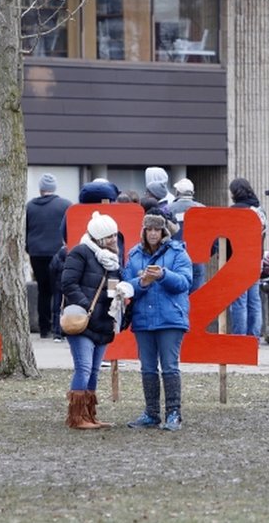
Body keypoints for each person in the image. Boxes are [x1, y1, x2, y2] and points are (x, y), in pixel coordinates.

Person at [123, 212, 193, 431]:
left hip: (170, 318)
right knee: (148, 369)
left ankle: (174, 414)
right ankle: (151, 413)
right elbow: (126, 285)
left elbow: (184, 282)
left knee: (170, 367)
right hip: (143, 319)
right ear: (143, 231)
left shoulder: (178, 252)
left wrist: (163, 275)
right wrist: (142, 282)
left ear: (164, 231)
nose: (153, 233)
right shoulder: (134, 254)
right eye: (149, 229)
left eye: (157, 229)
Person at [61, 211, 123, 430]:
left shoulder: (113, 261)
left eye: (115, 235)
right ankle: (77, 417)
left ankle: (89, 415)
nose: (114, 240)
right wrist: (88, 306)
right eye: (109, 236)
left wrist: (120, 294)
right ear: (97, 238)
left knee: (95, 370)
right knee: (84, 368)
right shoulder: (80, 253)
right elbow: (68, 284)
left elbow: (112, 288)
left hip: (104, 322)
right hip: (82, 321)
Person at [26, 173, 72, 338]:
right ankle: (61, 328)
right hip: (59, 253)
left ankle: (44, 328)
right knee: (62, 290)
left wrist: (29, 248)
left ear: (40, 188)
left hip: (37, 253)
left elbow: (25, 231)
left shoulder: (29, 207)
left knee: (43, 291)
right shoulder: (66, 205)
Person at [228, 177, 265, 338]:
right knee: (254, 300)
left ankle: (239, 339)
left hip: (237, 260)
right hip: (256, 259)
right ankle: (254, 338)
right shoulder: (259, 210)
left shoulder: (233, 211)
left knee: (239, 301)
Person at [166, 178, 206, 292]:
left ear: (177, 193)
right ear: (192, 193)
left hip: (174, 256)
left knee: (177, 291)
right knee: (197, 295)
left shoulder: (168, 209)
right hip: (197, 257)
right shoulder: (203, 209)